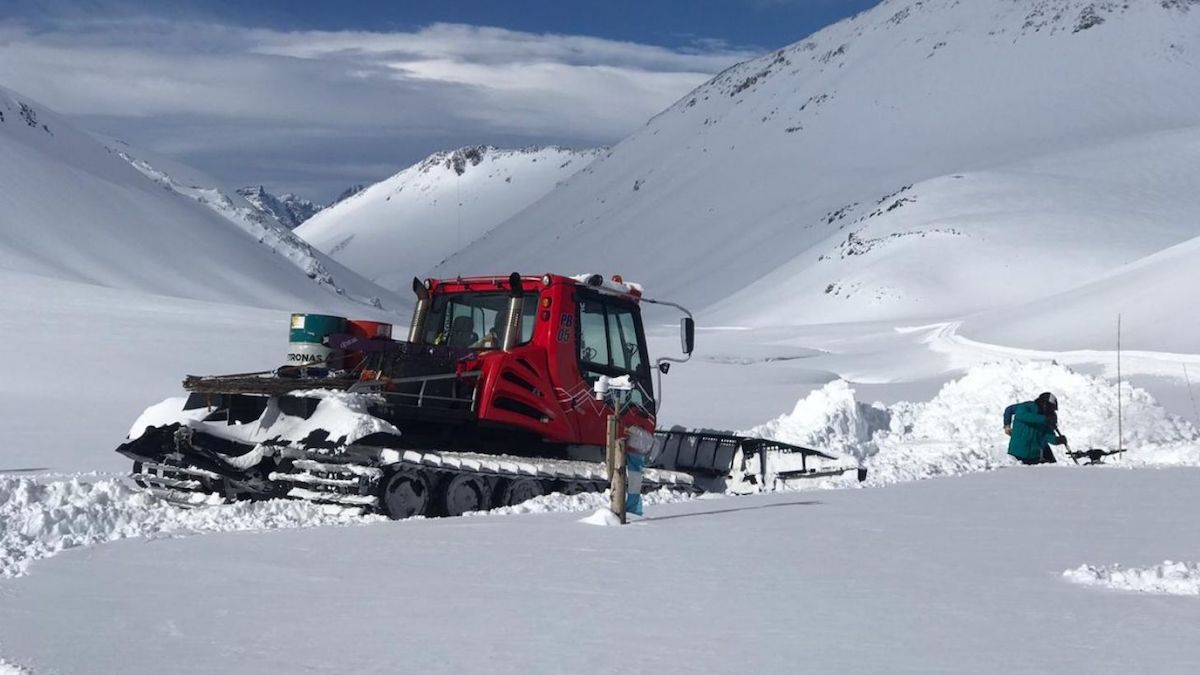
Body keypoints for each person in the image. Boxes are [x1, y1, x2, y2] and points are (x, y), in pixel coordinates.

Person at [1003, 392, 1067, 465]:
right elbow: (1022, 415)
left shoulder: (1047, 417)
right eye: (1050, 408)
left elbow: (1047, 434)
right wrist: (1044, 419)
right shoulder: (1026, 407)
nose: (1051, 411)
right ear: (1044, 404)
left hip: (1035, 457)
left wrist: (1056, 440)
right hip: (1016, 456)